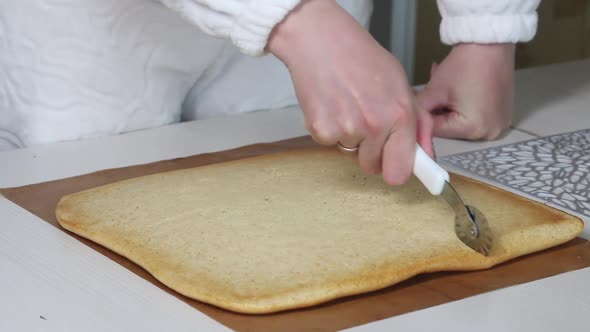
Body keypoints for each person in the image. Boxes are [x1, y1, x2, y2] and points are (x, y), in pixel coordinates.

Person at [0, 0, 540, 186]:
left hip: (327, 20)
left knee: (303, 185)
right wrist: (296, 18)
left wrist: (486, 28)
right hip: (91, 28)